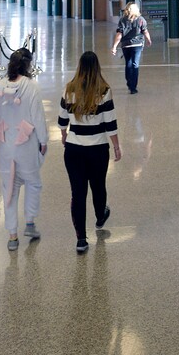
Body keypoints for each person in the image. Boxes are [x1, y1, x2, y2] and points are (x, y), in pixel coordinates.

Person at [59, 51, 122, 253]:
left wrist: (63, 136)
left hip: (74, 149)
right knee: (98, 186)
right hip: (97, 149)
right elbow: (110, 122)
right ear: (97, 68)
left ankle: (81, 240)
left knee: (78, 194)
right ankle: (100, 216)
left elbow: (62, 120)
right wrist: (117, 146)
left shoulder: (69, 89)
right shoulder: (104, 90)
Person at [0, 48, 48, 251]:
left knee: (9, 191)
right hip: (27, 144)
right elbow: (38, 117)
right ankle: (30, 222)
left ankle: (12, 236)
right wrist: (44, 140)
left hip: (7, 146)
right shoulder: (31, 87)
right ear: (28, 65)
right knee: (33, 183)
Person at [111, 2, 151, 94]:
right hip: (137, 45)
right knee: (135, 64)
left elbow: (119, 34)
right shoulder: (141, 19)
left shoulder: (122, 20)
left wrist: (114, 46)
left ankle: (129, 83)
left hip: (126, 45)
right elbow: (145, 31)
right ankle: (133, 87)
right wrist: (148, 40)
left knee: (128, 64)